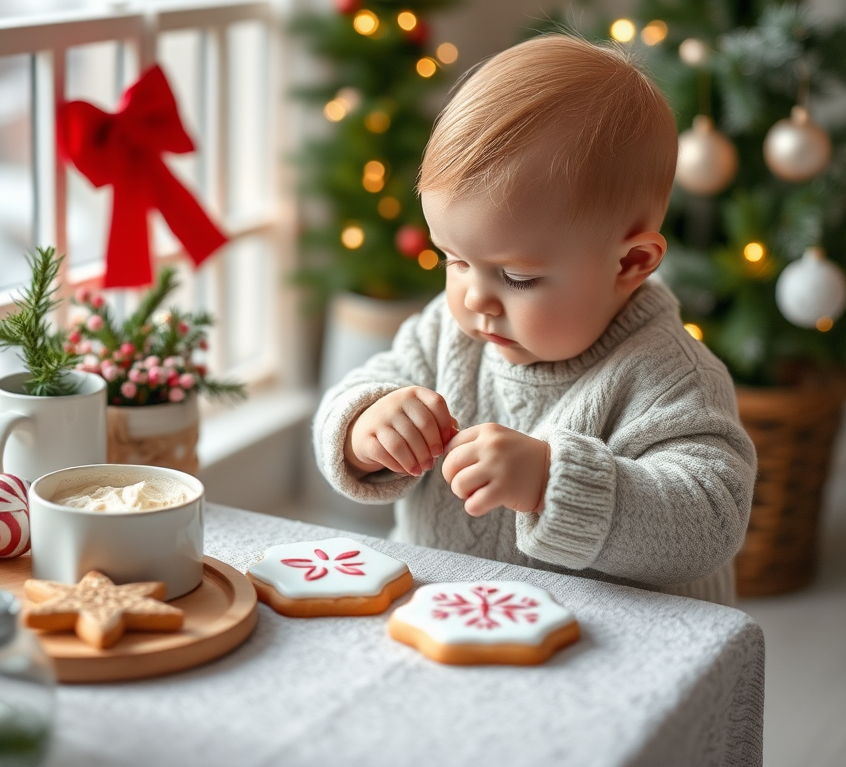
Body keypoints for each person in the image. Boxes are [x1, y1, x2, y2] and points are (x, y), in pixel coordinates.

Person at [313, 34, 757, 606]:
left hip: (609, 649)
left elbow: (710, 522)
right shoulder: (445, 333)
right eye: (454, 260)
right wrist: (365, 426)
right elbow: (354, 395)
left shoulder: (672, 377)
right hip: (446, 614)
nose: (476, 299)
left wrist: (553, 482)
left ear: (632, 262)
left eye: (517, 278)